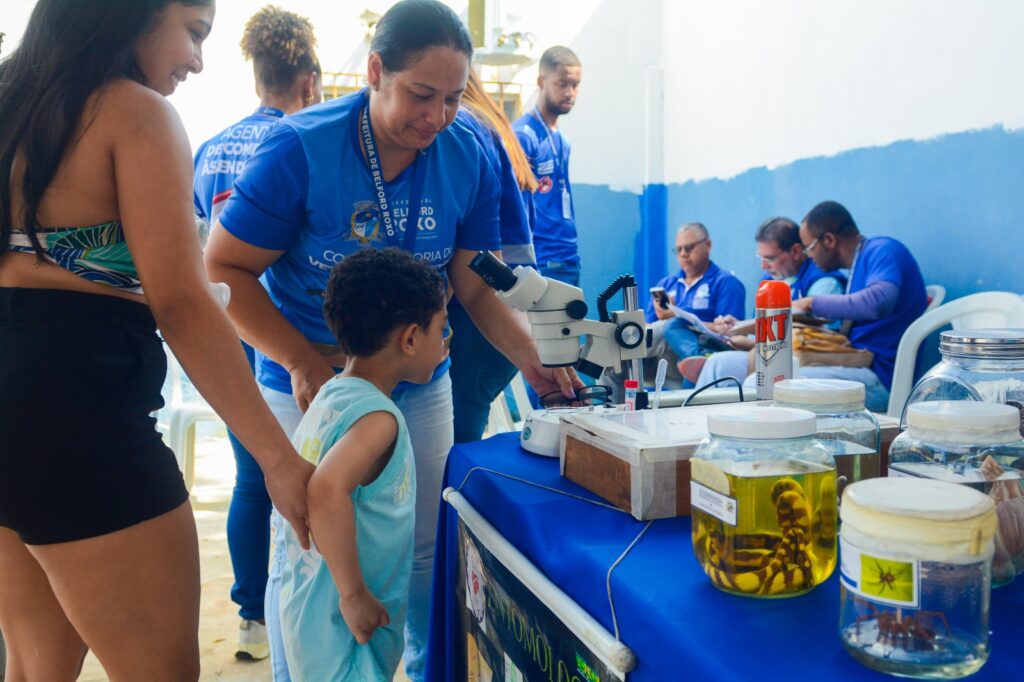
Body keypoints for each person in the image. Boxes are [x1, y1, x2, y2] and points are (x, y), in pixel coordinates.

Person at [202, 2, 581, 679]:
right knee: (307, 547)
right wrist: (298, 358)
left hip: (418, 381)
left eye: (453, 98)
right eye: (420, 94)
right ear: (375, 71)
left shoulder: (468, 152)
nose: (437, 117)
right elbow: (223, 269)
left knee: (425, 542)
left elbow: (474, 287)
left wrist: (533, 358)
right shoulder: (301, 148)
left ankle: (424, 667)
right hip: (312, 383)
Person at [0, 2, 313, 679]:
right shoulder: (132, 113)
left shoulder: (9, 103)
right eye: (194, 32)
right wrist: (279, 459)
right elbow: (182, 303)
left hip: (17, 407)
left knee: (33, 668)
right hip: (73, 415)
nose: (197, 61)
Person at [192, 5, 321, 661]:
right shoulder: (303, 145)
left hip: (218, 325)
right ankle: (306, 613)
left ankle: (251, 618)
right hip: (279, 333)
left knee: (252, 477)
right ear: (310, 81)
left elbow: (195, 246)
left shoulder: (210, 148)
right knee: (299, 476)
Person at [272, 248, 446, 681]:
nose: (444, 342)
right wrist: (353, 596)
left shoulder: (331, 393)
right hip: (344, 621)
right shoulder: (377, 419)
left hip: (313, 609)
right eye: (441, 329)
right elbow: (325, 489)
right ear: (410, 339)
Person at [449, 70, 537, 443]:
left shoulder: (460, 130)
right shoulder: (492, 127)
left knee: (453, 444)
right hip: (512, 308)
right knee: (464, 434)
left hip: (475, 319)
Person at [791, 200, 928, 411]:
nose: (808, 256)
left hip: (880, 377)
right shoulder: (858, 264)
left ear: (829, 240)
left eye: (809, 248)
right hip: (858, 366)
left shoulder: (883, 249)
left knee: (772, 383)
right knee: (771, 373)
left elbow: (878, 302)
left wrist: (811, 303)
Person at [693, 216, 845, 389]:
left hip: (807, 361)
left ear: (795, 251)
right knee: (717, 362)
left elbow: (820, 342)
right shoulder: (770, 281)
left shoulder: (823, 282)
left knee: (746, 378)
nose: (763, 267)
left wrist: (752, 344)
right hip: (766, 354)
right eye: (761, 258)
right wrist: (739, 327)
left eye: (770, 258)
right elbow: (762, 330)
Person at [513, 45, 582, 286]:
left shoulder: (562, 140)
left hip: (568, 257)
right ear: (542, 81)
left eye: (575, 85)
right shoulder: (524, 136)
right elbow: (515, 208)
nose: (570, 92)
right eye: (562, 84)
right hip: (542, 261)